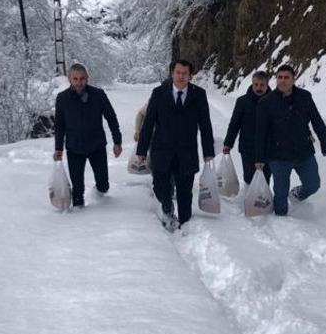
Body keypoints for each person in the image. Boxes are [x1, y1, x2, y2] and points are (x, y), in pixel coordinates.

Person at [136, 59, 215, 231]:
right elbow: (148, 123)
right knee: (161, 187)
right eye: (178, 73)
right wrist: (141, 150)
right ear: (172, 73)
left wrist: (208, 151)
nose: (181, 76)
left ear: (190, 76)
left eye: (185, 73)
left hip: (187, 152)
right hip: (162, 150)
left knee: (185, 191)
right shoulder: (158, 93)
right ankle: (167, 209)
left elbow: (205, 124)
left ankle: (185, 223)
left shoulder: (198, 95)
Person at [254, 64, 326, 216]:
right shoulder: (266, 103)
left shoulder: (305, 97)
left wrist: (325, 143)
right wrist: (259, 157)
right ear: (276, 79)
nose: (282, 81)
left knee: (313, 185)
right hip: (278, 156)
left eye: (286, 78)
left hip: (303, 152)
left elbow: (316, 120)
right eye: (279, 77)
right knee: (280, 195)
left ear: (294, 79)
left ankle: (296, 195)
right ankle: (281, 222)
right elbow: (260, 132)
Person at [53, 64, 122, 208]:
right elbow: (59, 125)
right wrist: (58, 148)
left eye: (82, 79)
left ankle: (97, 195)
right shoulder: (62, 98)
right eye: (75, 79)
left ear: (87, 78)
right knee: (77, 191)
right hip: (74, 148)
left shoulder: (98, 95)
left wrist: (117, 141)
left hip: (96, 145)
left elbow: (111, 117)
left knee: (104, 185)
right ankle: (80, 221)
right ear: (69, 79)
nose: (79, 82)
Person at [223, 71, 272, 185]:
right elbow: (235, 123)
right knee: (249, 178)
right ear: (252, 83)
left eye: (262, 85)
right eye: (256, 84)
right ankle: (248, 199)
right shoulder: (242, 101)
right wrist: (228, 143)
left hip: (268, 148)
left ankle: (263, 201)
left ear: (267, 84)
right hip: (247, 147)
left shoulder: (274, 100)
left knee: (265, 179)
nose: (258, 88)